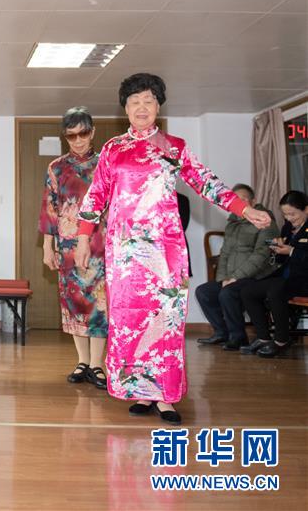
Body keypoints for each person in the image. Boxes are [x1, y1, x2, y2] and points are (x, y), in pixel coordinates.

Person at [74, 73, 270, 425]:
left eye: (148, 101)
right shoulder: (113, 149)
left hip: (164, 252)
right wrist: (83, 238)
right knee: (130, 319)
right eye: (134, 102)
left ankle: (165, 396)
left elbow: (206, 182)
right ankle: (140, 390)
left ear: (158, 106)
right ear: (125, 109)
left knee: (166, 320)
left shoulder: (173, 146)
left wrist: (244, 209)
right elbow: (96, 196)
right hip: (125, 253)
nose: (141, 107)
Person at [39, 107, 109, 389]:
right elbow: (49, 209)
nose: (78, 140)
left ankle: (97, 364)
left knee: (100, 305)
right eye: (71, 136)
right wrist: (48, 247)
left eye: (83, 134)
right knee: (75, 303)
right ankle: (83, 362)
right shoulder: (56, 168)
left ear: (92, 132)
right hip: (67, 246)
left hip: (100, 244)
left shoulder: (105, 163)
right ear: (65, 137)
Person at [195, 184, 278, 350]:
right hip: (232, 277)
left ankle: (238, 337)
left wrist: (235, 278)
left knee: (227, 293)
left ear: (253, 201)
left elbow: (261, 255)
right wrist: (223, 279)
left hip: (256, 277)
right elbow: (225, 253)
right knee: (203, 292)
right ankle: (222, 332)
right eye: (236, 200)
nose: (239, 203)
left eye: (243, 199)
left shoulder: (265, 220)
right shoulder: (232, 223)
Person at [240, 190, 308, 358]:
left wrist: (291, 251)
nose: (289, 218)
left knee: (276, 289)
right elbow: (282, 259)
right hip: (287, 277)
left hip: (303, 279)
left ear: (306, 209)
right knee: (248, 291)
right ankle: (263, 337)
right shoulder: (288, 227)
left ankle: (281, 340)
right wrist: (277, 249)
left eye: (293, 214)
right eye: (285, 214)